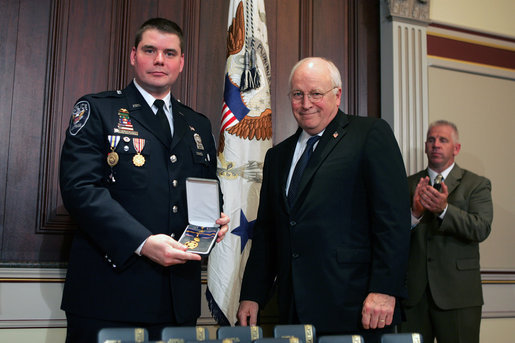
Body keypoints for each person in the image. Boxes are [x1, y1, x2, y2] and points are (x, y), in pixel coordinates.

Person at [59, 18, 229, 342]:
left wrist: (214, 220)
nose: (159, 60)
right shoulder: (98, 110)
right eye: (150, 50)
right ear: (134, 55)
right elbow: (80, 190)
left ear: (182, 62)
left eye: (169, 52)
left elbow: (203, 190)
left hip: (177, 300)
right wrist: (143, 242)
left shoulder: (197, 124)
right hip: (109, 293)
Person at [236, 57, 411, 342]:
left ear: (337, 94)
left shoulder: (369, 134)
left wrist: (385, 289)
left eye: (316, 93)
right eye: (297, 94)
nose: (306, 103)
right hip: (293, 309)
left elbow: (393, 220)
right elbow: (268, 232)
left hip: (357, 308)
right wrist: (253, 295)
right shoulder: (277, 157)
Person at [399, 120, 493, 343]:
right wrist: (415, 214)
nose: (436, 145)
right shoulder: (407, 184)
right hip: (414, 296)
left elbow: (481, 228)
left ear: (456, 148)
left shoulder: (476, 184)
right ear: (425, 147)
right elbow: (391, 235)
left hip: (458, 294)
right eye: (431, 140)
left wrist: (444, 210)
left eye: (443, 140)